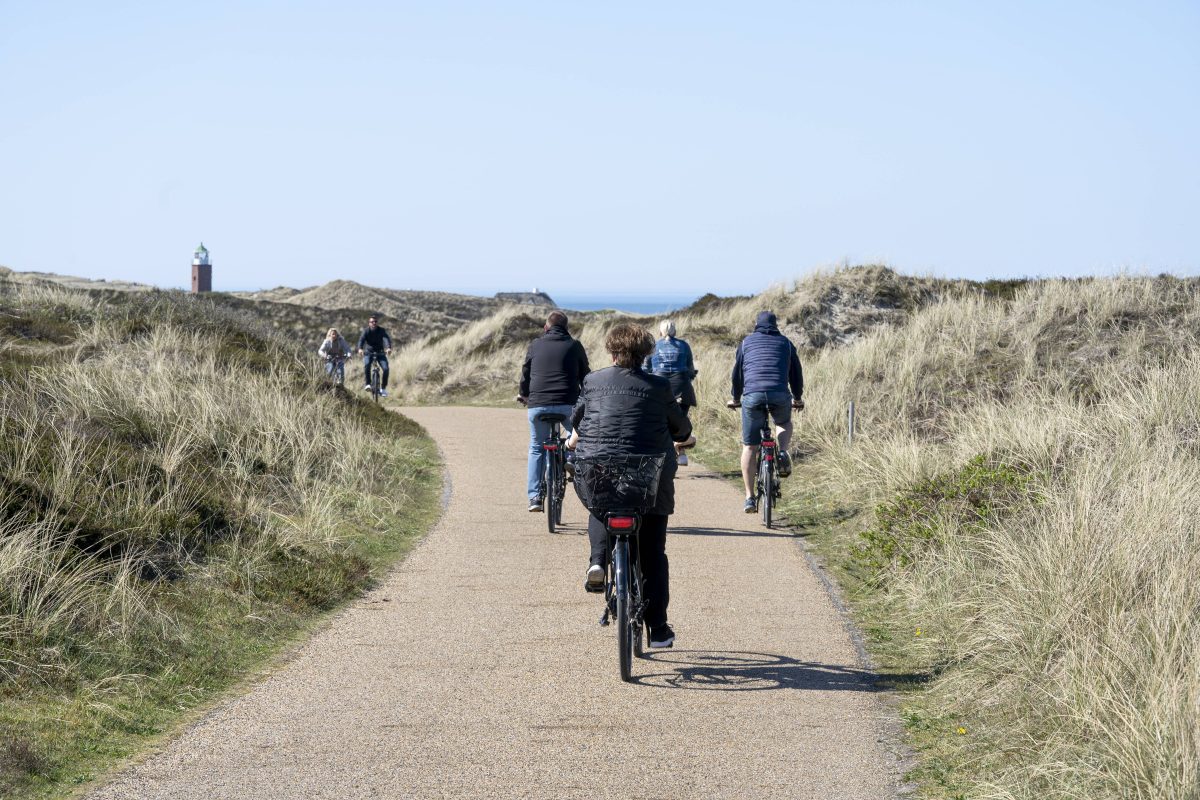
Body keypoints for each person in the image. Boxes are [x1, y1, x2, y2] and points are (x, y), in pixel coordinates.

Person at [567, 322, 695, 649]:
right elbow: (681, 428)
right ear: (646, 354)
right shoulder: (659, 386)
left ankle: (598, 561)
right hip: (649, 474)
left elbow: (577, 419)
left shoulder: (593, 381)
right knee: (653, 552)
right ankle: (659, 629)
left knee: (600, 502)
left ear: (612, 352)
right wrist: (683, 436)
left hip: (598, 467)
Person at [729, 311, 804, 513]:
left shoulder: (746, 343)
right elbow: (796, 374)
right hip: (780, 394)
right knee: (783, 423)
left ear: (756, 325)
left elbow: (737, 375)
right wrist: (797, 398)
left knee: (749, 447)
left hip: (752, 396)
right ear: (775, 325)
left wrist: (736, 398)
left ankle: (749, 497)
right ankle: (782, 451)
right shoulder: (786, 343)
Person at [518, 311, 590, 512]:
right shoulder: (575, 346)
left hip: (538, 405)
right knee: (578, 436)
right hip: (568, 406)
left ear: (546, 327)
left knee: (536, 447)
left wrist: (524, 394)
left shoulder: (535, 345)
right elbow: (586, 377)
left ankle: (534, 497)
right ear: (566, 328)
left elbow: (525, 374)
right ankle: (570, 457)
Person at [643, 319, 698, 466]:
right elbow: (690, 368)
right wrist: (690, 376)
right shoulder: (684, 345)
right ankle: (681, 452)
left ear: (660, 332)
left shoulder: (653, 346)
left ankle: (663, 457)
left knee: (661, 422)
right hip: (682, 388)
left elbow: (646, 369)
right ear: (675, 331)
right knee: (679, 421)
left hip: (659, 388)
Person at [356, 315, 392, 397]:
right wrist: (360, 349)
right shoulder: (366, 331)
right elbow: (361, 340)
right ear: (369, 323)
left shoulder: (381, 330)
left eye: (375, 322)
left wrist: (388, 348)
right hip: (369, 352)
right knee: (367, 365)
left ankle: (383, 388)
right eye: (372, 322)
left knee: (386, 369)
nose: (374, 323)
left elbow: (386, 339)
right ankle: (368, 384)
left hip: (380, 352)